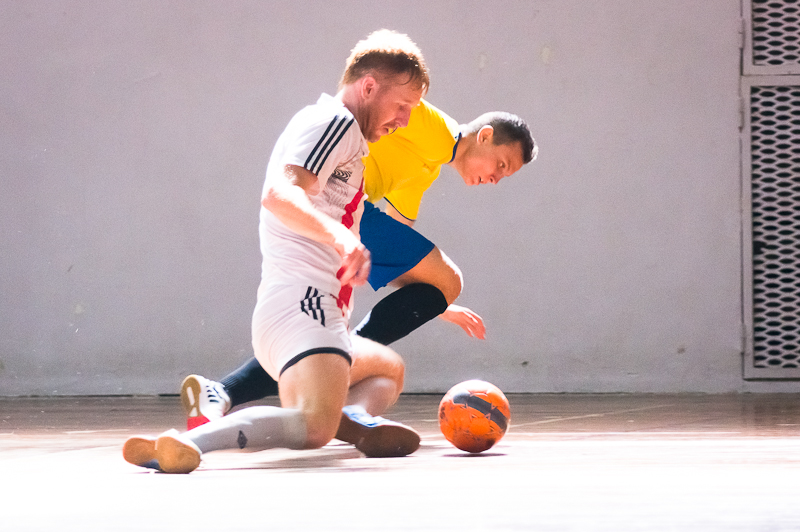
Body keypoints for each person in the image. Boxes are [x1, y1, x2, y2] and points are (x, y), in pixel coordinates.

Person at [122, 29, 429, 474]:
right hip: (306, 306)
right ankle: (187, 443)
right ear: (368, 87)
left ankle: (351, 418)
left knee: (388, 369)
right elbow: (279, 194)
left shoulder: (331, 128)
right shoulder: (338, 123)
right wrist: (343, 239)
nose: (404, 120)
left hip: (299, 313)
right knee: (312, 428)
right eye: (402, 106)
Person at [180, 101, 538, 433]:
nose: (496, 178)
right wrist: (441, 291)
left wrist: (434, 302)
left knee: (321, 333)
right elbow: (393, 96)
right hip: (339, 208)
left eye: (504, 176)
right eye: (501, 165)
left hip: (352, 217)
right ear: (485, 136)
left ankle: (222, 391)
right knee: (448, 280)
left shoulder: (427, 168)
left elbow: (400, 245)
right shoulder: (434, 128)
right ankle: (335, 363)